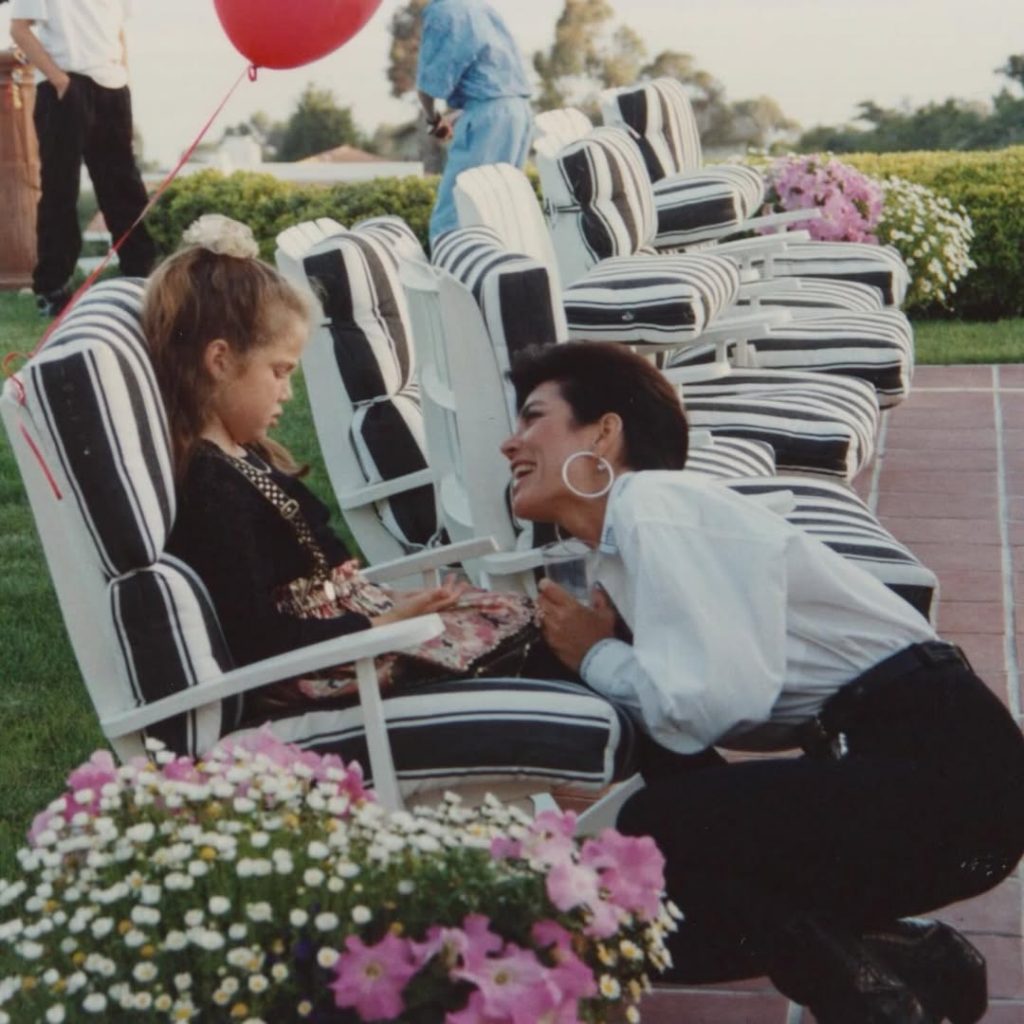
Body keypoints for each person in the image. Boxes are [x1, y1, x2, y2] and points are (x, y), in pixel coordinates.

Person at [500, 341, 1024, 1024]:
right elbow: (704, 718)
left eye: (534, 417)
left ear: (604, 431)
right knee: (674, 845)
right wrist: (599, 658)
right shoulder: (633, 540)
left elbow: (711, 705)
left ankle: (876, 998)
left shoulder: (655, 507)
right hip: (927, 771)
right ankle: (894, 953)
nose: (511, 444)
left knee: (653, 840)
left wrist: (599, 658)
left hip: (948, 780)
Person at [143, 215, 470, 714]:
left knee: (502, 615)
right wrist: (381, 625)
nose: (287, 393)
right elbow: (255, 636)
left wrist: (388, 610)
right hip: (320, 673)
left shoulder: (241, 454)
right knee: (515, 638)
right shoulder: (212, 487)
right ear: (221, 360)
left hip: (343, 641)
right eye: (280, 371)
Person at [10, 0, 155, 318]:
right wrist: (60, 80)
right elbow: (19, 29)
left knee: (124, 187)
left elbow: (118, 29)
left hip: (112, 88)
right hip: (65, 87)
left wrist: (122, 75)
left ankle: (139, 277)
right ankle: (52, 288)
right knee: (61, 190)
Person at [416, 0, 533, 242]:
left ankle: (452, 277)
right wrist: (460, 114)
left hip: (488, 119)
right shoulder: (480, 7)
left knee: (453, 218)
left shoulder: (442, 11)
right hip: (517, 112)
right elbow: (495, 82)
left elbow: (428, 86)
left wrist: (433, 120)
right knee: (501, 213)